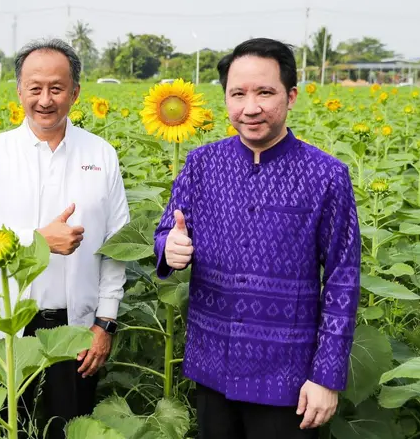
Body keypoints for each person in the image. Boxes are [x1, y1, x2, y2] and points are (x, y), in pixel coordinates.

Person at [153, 38, 360, 439]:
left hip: (288, 377)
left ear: (291, 95)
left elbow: (342, 279)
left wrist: (328, 375)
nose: (250, 107)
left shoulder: (326, 176)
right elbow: (168, 230)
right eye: (238, 93)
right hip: (212, 364)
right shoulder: (202, 164)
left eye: (265, 92)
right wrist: (170, 247)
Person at [0, 38, 130, 438]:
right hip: (9, 333)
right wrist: (39, 241)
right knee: (11, 428)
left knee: (67, 430)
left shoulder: (101, 154)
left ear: (75, 91)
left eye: (56, 88)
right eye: (35, 88)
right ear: (19, 90)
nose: (45, 99)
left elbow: (116, 247)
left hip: (77, 332)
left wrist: (105, 324)